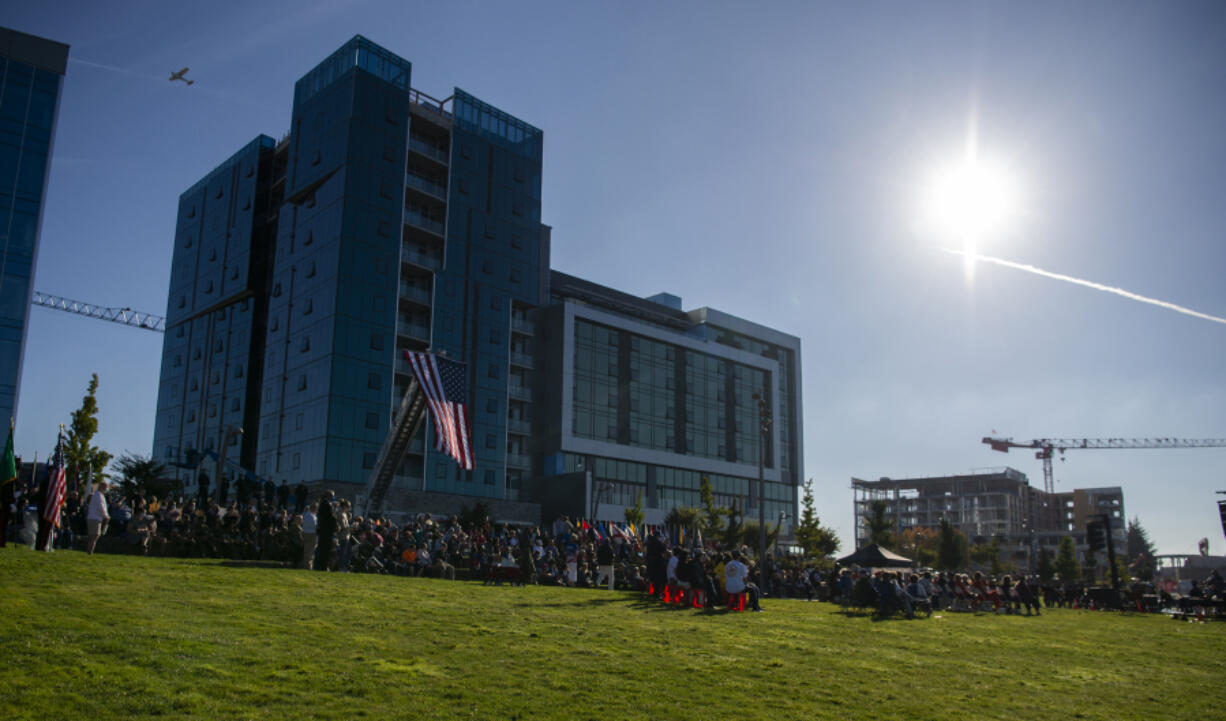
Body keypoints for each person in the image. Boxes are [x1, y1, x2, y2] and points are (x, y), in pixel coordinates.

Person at [85, 480, 110, 555]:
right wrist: (106, 516)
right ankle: (90, 551)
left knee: (94, 535)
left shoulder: (98, 495)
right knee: (94, 535)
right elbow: (101, 508)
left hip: (94, 517)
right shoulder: (98, 495)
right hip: (95, 518)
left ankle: (90, 551)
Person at [315, 490, 337, 571]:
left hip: (323, 530)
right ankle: (322, 566)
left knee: (322, 549)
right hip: (326, 531)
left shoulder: (322, 504)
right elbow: (331, 518)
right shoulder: (326, 504)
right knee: (325, 550)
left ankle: (320, 566)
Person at [301, 504, 318, 569]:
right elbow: (314, 526)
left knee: (307, 551)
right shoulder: (310, 516)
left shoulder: (306, 514)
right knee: (309, 551)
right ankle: (308, 565)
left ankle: (307, 564)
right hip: (311, 534)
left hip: (306, 533)